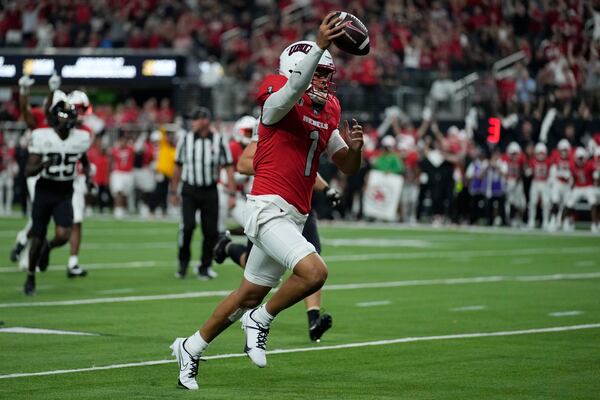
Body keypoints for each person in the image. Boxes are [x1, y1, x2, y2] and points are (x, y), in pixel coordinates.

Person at [170, 14, 362, 390]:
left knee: (249, 292)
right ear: (298, 70)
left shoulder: (330, 109)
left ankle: (190, 348)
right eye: (318, 73)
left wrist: (356, 152)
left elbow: (346, 166)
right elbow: (286, 97)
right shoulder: (278, 91)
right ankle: (259, 320)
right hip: (267, 206)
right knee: (315, 272)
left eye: (328, 75)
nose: (325, 81)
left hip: (295, 214)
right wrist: (319, 45)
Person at [212, 123, 341, 342]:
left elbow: (305, 168)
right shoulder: (274, 118)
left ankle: (313, 319)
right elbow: (243, 164)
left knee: (313, 261)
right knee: (255, 276)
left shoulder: (313, 120)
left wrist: (327, 188)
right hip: (271, 206)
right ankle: (227, 247)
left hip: (301, 206)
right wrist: (280, 166)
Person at [23, 93, 92, 295]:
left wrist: (88, 177)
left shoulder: (80, 138)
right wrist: (45, 164)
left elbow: (83, 158)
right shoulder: (42, 136)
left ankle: (48, 248)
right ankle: (30, 276)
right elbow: (28, 170)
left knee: (63, 235)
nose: (64, 120)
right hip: (45, 189)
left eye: (67, 116)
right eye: (61, 115)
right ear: (54, 117)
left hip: (64, 190)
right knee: (37, 237)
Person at [170, 106, 237, 280]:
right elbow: (177, 165)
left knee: (211, 231)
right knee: (188, 227)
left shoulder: (219, 140)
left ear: (205, 121)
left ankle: (204, 267)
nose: (192, 122)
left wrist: (231, 193)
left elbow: (229, 166)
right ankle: (183, 264)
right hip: (190, 189)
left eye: (195, 119)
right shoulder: (185, 139)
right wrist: (173, 191)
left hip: (209, 190)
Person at [65, 90, 95, 277]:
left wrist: (89, 178)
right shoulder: (56, 125)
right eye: (78, 108)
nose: (81, 113)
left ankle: (73, 262)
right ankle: (25, 245)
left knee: (76, 221)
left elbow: (83, 159)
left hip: (74, 180)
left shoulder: (86, 132)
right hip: (52, 180)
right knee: (39, 223)